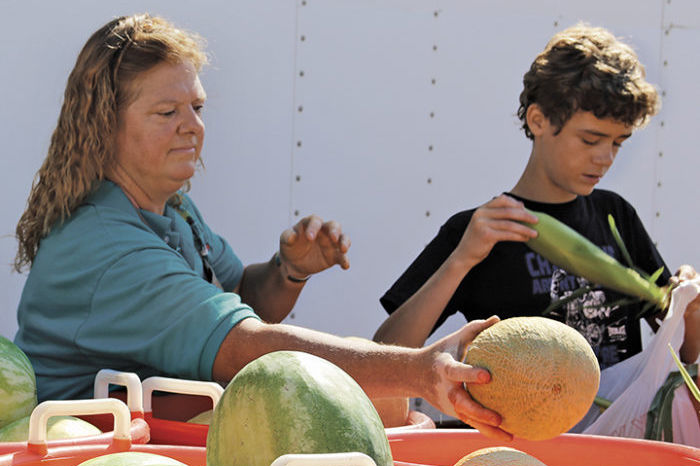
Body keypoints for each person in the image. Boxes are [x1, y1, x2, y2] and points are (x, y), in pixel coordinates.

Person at [12, 13, 510, 440]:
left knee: (379, 402)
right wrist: (422, 370)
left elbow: (239, 295)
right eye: (168, 111)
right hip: (86, 462)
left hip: (148, 434)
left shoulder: (173, 209)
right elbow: (247, 348)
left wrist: (286, 272)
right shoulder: (107, 246)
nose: (194, 126)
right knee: (377, 402)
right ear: (104, 125)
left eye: (198, 107)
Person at [375, 24, 699, 373]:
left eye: (618, 142)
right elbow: (384, 356)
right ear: (538, 120)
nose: (605, 157)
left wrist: (691, 307)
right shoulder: (481, 229)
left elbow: (687, 352)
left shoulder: (615, 215)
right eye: (590, 140)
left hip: (613, 427)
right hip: (517, 427)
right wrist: (461, 260)